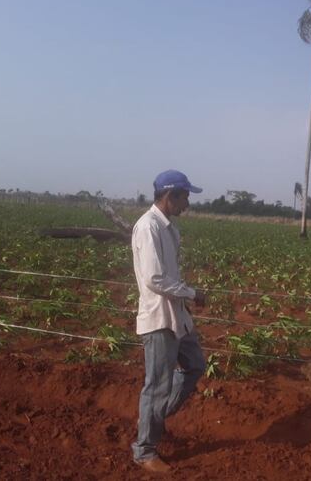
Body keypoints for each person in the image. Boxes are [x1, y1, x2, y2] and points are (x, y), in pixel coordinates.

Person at [130, 169, 207, 473]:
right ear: (169, 195)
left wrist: (185, 298)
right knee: (157, 386)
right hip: (159, 318)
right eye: (184, 196)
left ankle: (154, 419)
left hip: (177, 316)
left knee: (195, 365)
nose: (187, 203)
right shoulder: (148, 227)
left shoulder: (169, 228)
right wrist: (191, 293)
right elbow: (154, 278)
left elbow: (168, 275)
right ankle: (145, 450)